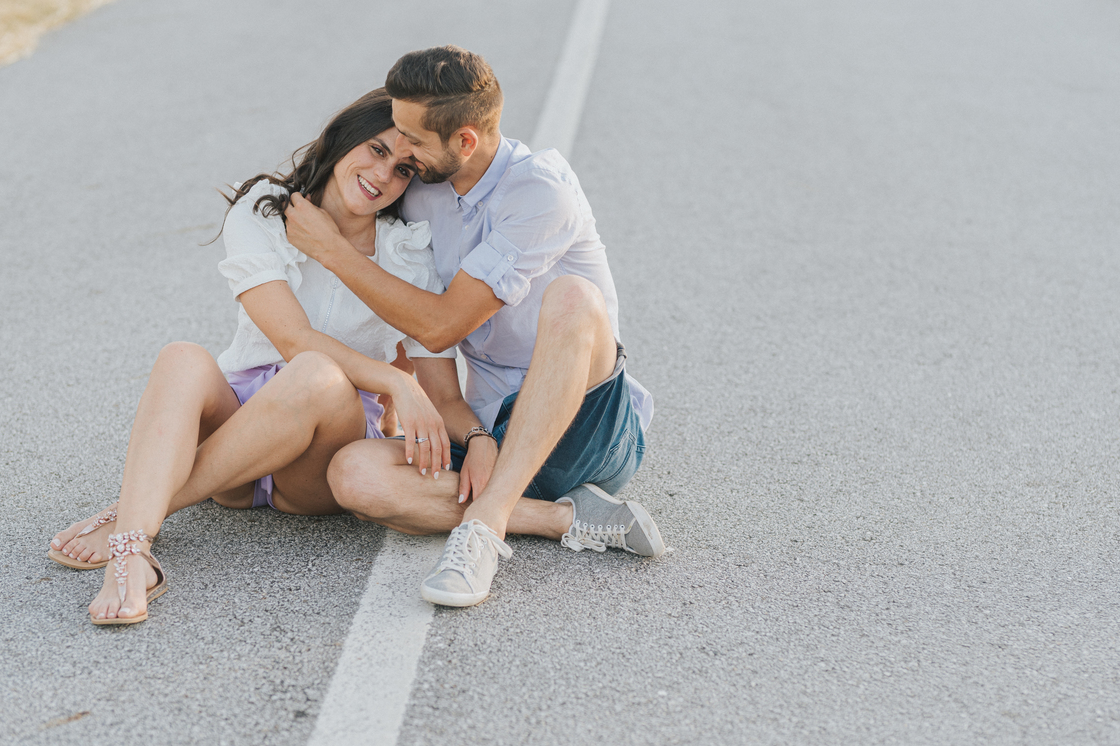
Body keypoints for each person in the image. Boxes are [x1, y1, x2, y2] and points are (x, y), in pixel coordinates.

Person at [46, 88, 480, 625]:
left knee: (318, 375)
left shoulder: (408, 250)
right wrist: (397, 386)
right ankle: (135, 559)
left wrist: (405, 393)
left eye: (404, 170)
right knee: (182, 356)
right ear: (342, 139)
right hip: (240, 428)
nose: (383, 174)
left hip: (318, 460)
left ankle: (133, 519)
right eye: (375, 149)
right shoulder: (264, 209)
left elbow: (420, 355)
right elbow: (291, 338)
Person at [284, 46, 664, 608]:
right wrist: (477, 437)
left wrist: (333, 251)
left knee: (574, 299)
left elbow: (440, 327)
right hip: (491, 434)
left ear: (463, 141)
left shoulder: (541, 190)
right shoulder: (421, 195)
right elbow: (429, 356)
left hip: (585, 426)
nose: (401, 149)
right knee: (355, 474)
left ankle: (482, 532)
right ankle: (561, 518)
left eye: (412, 138)